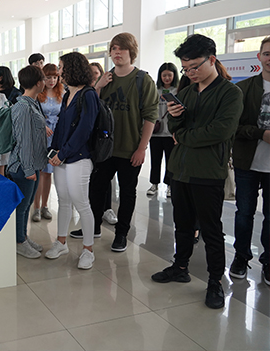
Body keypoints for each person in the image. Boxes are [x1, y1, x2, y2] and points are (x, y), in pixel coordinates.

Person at [151, 34, 243, 310]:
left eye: (194, 67)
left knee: (211, 230)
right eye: (185, 68)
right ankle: (180, 266)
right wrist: (176, 118)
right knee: (182, 224)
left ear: (212, 59)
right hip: (180, 169)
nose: (190, 73)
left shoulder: (230, 93)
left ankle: (215, 281)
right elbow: (175, 128)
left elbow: (220, 131)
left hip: (208, 172)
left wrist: (183, 136)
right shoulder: (187, 92)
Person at [83, 33, 158, 252]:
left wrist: (142, 148)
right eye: (114, 48)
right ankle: (93, 226)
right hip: (105, 149)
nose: (117, 52)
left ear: (131, 52)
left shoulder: (143, 80)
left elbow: (150, 116)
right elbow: (91, 110)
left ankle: (122, 233)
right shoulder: (106, 79)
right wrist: (98, 87)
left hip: (130, 149)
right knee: (96, 189)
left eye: (122, 48)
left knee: (127, 192)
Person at [46, 53, 99, 269]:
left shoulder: (88, 95)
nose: (59, 72)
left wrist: (63, 153)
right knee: (63, 200)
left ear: (72, 68)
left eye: (61, 67)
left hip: (79, 158)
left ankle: (88, 250)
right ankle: (61, 242)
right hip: (62, 157)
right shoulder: (69, 93)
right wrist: (53, 151)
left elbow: (84, 130)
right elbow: (61, 126)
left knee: (81, 203)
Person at [229, 36, 270, 285]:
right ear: (259, 57)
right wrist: (260, 134)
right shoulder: (243, 88)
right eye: (267, 53)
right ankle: (241, 257)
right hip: (248, 163)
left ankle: (268, 261)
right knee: (244, 213)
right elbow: (233, 126)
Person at [8, 65, 48, 259]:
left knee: (27, 203)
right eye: (44, 79)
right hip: (24, 166)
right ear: (38, 83)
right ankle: (18, 242)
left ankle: (23, 236)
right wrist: (28, 169)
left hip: (33, 164)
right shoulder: (23, 107)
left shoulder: (32, 103)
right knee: (22, 206)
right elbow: (23, 141)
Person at [31, 63, 63, 222]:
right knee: (39, 172)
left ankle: (45, 206)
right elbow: (31, 114)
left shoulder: (62, 93)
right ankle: (36, 208)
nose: (52, 80)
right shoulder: (38, 93)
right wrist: (41, 125)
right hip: (40, 135)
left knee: (48, 172)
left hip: (55, 135)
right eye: (48, 77)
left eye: (55, 77)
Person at [90, 61, 118, 226]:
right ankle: (95, 215)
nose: (94, 76)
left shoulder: (107, 88)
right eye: (91, 73)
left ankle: (107, 209)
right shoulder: (88, 90)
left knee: (106, 177)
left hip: (105, 139)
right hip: (91, 141)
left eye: (96, 72)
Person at [147, 62, 179, 198]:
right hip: (155, 132)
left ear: (174, 75)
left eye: (169, 75)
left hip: (171, 133)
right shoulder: (155, 90)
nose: (167, 78)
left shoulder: (178, 90)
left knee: (170, 161)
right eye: (164, 75)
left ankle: (169, 185)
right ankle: (154, 184)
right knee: (155, 160)